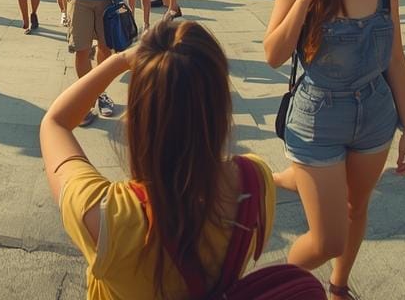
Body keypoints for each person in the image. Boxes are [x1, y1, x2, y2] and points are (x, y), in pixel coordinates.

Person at [41, 21, 287, 297]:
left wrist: (120, 61)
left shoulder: (109, 217)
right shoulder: (256, 181)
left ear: (137, 117)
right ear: (220, 106)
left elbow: (55, 122)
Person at [263, 0, 405, 297]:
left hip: (374, 115)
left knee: (356, 208)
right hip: (318, 117)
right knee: (327, 239)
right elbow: (273, 55)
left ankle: (339, 284)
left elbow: (395, 59)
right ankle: (275, 287)